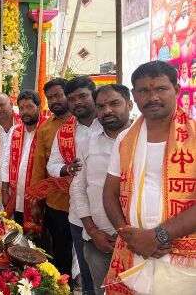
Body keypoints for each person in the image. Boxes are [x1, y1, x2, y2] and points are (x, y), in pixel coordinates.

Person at [104, 61, 196, 295]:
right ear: (134, 96)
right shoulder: (125, 139)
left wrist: (158, 235)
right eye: (144, 91)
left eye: (161, 89)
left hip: (184, 260)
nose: (152, 97)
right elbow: (109, 193)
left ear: (176, 90)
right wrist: (129, 234)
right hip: (133, 250)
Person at [70, 84, 132, 294]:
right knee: (100, 291)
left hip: (139, 245)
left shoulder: (145, 139)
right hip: (100, 243)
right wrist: (92, 231)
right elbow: (78, 189)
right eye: (101, 106)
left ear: (130, 104)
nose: (107, 110)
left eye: (114, 103)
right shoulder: (88, 143)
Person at [46, 76, 102, 293]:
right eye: (72, 98)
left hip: (113, 214)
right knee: (87, 272)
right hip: (78, 215)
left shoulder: (109, 123)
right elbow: (53, 165)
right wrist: (66, 169)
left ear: (93, 95)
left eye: (83, 96)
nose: (77, 102)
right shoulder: (65, 131)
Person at [30, 78, 73, 276]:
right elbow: (39, 167)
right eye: (50, 98)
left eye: (58, 95)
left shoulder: (84, 121)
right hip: (57, 202)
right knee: (61, 252)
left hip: (89, 203)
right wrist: (36, 200)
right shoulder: (46, 128)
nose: (54, 101)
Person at [0, 90, 41, 224]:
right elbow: (7, 162)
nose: (25, 112)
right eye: (22, 108)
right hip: (16, 196)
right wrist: (5, 190)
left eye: (29, 107)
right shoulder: (15, 131)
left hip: (38, 198)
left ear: (38, 107)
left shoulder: (45, 130)